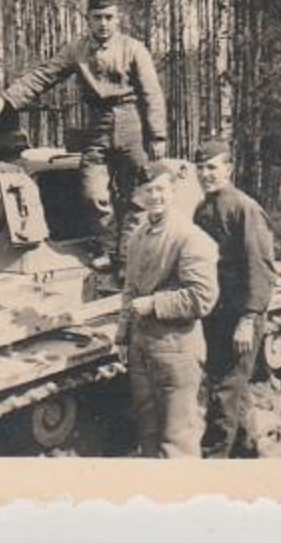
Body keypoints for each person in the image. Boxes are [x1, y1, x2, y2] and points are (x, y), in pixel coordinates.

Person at [0, 0, 166, 270]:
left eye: (109, 17)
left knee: (138, 194)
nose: (103, 24)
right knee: (94, 194)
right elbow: (44, 75)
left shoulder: (134, 49)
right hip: (97, 124)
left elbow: (152, 93)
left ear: (118, 19)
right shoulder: (77, 50)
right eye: (97, 18)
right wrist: (6, 99)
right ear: (88, 19)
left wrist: (157, 135)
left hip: (132, 122)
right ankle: (108, 248)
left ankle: (129, 255)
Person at [115, 161, 220, 458]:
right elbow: (130, 289)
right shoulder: (138, 236)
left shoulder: (190, 237)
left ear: (173, 191)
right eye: (148, 190)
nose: (154, 196)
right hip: (141, 349)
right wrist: (123, 336)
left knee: (178, 440)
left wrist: (154, 304)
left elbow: (203, 297)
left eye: (160, 189)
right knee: (147, 435)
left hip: (175, 350)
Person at [192, 138, 276, 458]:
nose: (205, 174)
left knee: (224, 392)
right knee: (230, 389)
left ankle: (214, 461)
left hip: (240, 316)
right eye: (200, 168)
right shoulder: (202, 210)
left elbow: (261, 267)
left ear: (229, 168)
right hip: (214, 314)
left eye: (212, 167)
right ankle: (247, 451)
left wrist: (249, 318)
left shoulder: (245, 208)